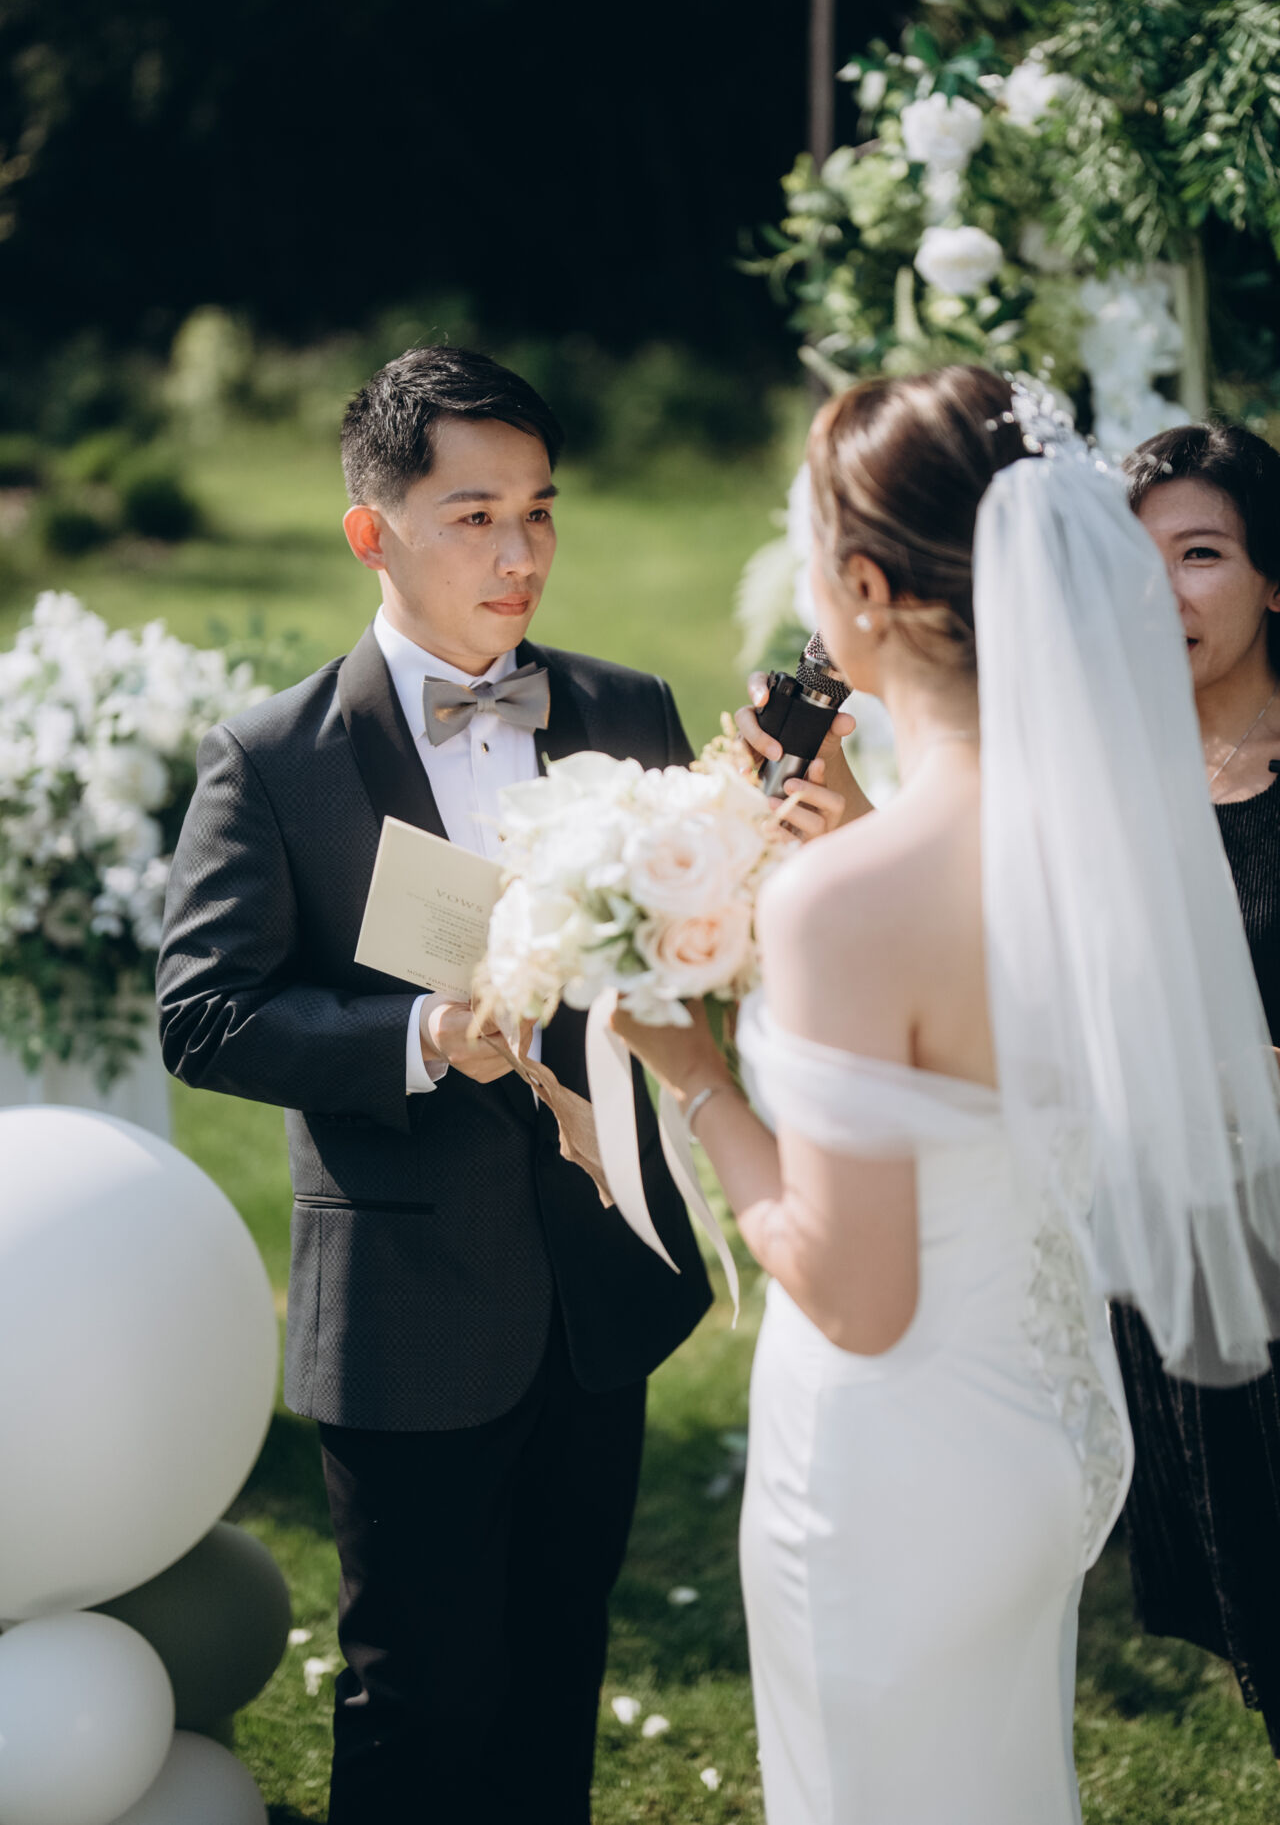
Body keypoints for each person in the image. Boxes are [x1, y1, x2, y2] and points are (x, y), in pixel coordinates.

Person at [155, 344, 848, 1825]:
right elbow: (205, 1016)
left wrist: (758, 862)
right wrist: (418, 1037)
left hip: (597, 1289)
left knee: (553, 1677)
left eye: (539, 512)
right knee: (418, 1698)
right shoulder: (275, 759)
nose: (520, 553)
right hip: (405, 1307)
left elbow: (698, 960)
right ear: (373, 531)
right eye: (474, 517)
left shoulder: (624, 707)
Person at [611, 366, 1280, 1823]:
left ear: (862, 585)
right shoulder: (1107, 839)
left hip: (892, 1464)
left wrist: (696, 1075)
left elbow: (857, 1294)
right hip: (1048, 1434)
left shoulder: (853, 900)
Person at [1112, 420, 1280, 1752]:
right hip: (1190, 1282)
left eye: (1203, 554)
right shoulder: (1107, 783)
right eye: (1134, 560)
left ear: (1274, 577)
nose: (1162, 591)